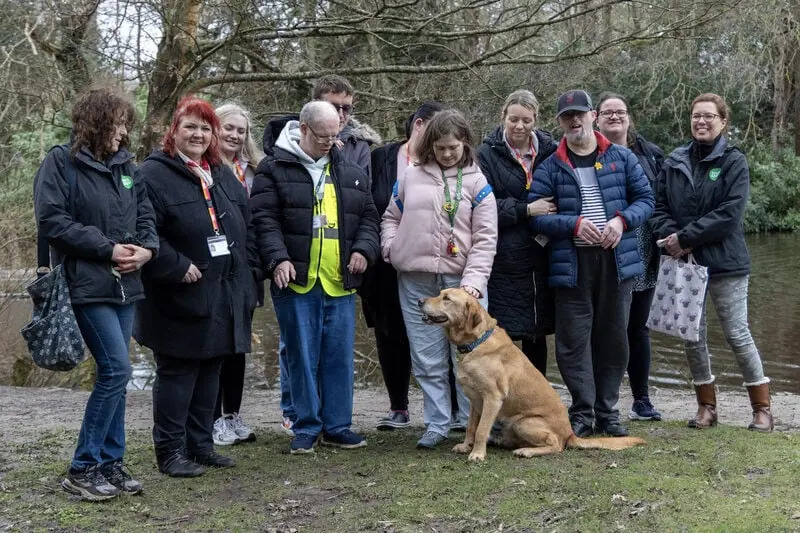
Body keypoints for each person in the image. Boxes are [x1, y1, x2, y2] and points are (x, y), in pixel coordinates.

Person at [34, 87, 158, 500]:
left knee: (115, 376)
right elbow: (52, 221)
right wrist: (106, 248)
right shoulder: (60, 163)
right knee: (117, 370)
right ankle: (82, 468)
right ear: (97, 122)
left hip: (126, 284)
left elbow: (145, 216)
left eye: (126, 125)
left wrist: (146, 250)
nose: (123, 133)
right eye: (118, 123)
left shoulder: (128, 167)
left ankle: (110, 463)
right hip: (85, 284)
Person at [135, 96, 258, 477]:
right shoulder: (152, 175)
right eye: (191, 126)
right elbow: (143, 230)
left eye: (205, 128)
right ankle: (170, 452)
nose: (199, 134)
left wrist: (249, 276)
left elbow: (244, 224)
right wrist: (175, 264)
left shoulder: (219, 172)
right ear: (174, 131)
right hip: (177, 293)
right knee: (178, 372)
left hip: (224, 292)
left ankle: (200, 444)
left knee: (211, 370)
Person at [250, 101, 380, 454]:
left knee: (339, 356)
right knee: (301, 356)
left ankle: (338, 425)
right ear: (303, 129)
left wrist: (363, 251)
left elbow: (368, 216)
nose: (331, 143)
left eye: (335, 136)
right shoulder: (272, 168)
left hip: (338, 279)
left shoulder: (349, 168)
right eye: (323, 137)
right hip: (296, 280)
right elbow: (264, 221)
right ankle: (306, 427)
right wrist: (277, 258)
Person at [528, 89, 654, 438]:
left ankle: (607, 411)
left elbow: (646, 200)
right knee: (572, 341)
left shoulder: (622, 158)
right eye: (567, 116)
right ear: (560, 123)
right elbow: (536, 216)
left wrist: (620, 222)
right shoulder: (550, 165)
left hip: (617, 261)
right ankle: (581, 411)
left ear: (592, 116)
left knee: (613, 338)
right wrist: (573, 224)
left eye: (580, 114)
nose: (575, 121)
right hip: (571, 263)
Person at [650, 92, 773, 432]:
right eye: (696, 116)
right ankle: (707, 407)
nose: (701, 122)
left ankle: (762, 408)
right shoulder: (674, 161)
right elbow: (658, 208)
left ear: (722, 121)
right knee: (692, 337)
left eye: (708, 116)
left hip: (726, 264)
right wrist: (672, 237)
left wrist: (685, 238)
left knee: (737, 333)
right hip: (686, 265)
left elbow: (729, 215)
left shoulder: (734, 162)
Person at [381, 109, 498, 449]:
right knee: (426, 355)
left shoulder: (477, 182)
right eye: (440, 148)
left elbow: (486, 238)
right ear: (430, 145)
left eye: (453, 147)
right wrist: (391, 248)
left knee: (470, 354)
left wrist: (473, 284)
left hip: (462, 285)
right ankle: (436, 423)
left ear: (465, 145)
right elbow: (390, 216)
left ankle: (468, 421)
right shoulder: (409, 177)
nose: (447, 154)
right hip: (416, 281)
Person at [362, 102, 443, 430]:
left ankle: (441, 409)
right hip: (386, 262)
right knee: (388, 331)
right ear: (419, 125)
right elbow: (368, 203)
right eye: (435, 130)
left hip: (430, 262)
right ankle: (398, 407)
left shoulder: (444, 160)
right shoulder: (381, 158)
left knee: (434, 330)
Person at [476, 89, 558, 376]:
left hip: (543, 255)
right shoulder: (486, 154)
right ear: (503, 118)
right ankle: (502, 401)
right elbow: (482, 205)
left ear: (536, 118)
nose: (519, 126)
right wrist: (526, 209)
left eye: (526, 120)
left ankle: (536, 397)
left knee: (538, 332)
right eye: (513, 119)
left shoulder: (551, 151)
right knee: (503, 334)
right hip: (503, 258)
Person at [595, 92, 665, 422]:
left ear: (628, 117)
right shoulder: (586, 154)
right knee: (605, 327)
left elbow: (661, 202)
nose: (614, 117)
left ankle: (641, 399)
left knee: (637, 327)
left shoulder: (650, 155)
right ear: (596, 118)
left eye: (620, 111)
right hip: (603, 254)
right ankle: (599, 399)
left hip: (644, 251)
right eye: (607, 112)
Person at [210, 103, 266, 446]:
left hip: (246, 271)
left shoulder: (255, 170)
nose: (234, 135)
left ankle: (232, 414)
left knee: (238, 346)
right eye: (228, 128)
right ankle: (213, 417)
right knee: (215, 346)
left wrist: (258, 266)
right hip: (216, 272)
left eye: (240, 131)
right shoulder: (206, 168)